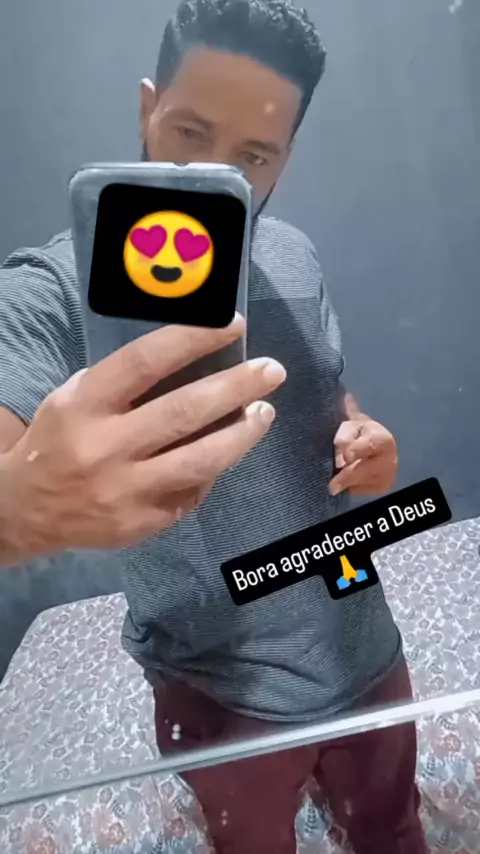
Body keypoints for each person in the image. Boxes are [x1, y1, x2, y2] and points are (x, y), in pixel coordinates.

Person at [0, 1, 427, 853]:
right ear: (147, 107)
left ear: (286, 156)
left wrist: (364, 437)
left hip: (363, 638)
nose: (213, 173)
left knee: (393, 832)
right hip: (222, 693)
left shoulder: (297, 255)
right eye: (190, 132)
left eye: (253, 155)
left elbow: (329, 392)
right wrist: (16, 510)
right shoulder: (58, 290)